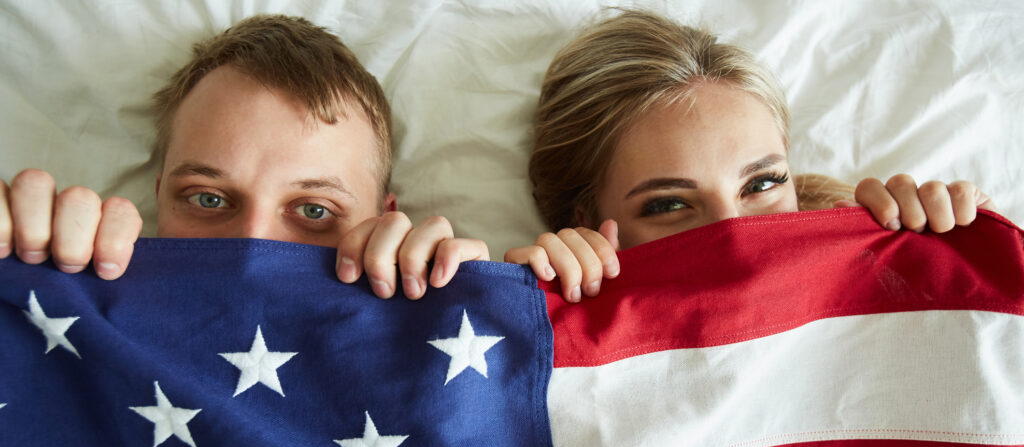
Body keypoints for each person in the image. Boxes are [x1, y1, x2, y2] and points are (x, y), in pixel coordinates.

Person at [504, 9, 995, 303]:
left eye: (761, 184)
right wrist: (527, 308)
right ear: (586, 220)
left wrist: (965, 264)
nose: (733, 234)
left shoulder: (887, 280)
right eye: (668, 204)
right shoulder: (548, 335)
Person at [0, 14, 488, 300]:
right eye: (208, 199)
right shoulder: (68, 300)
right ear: (158, 196)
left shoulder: (440, 331)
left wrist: (474, 303)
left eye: (314, 211)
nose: (250, 247)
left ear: (386, 219)